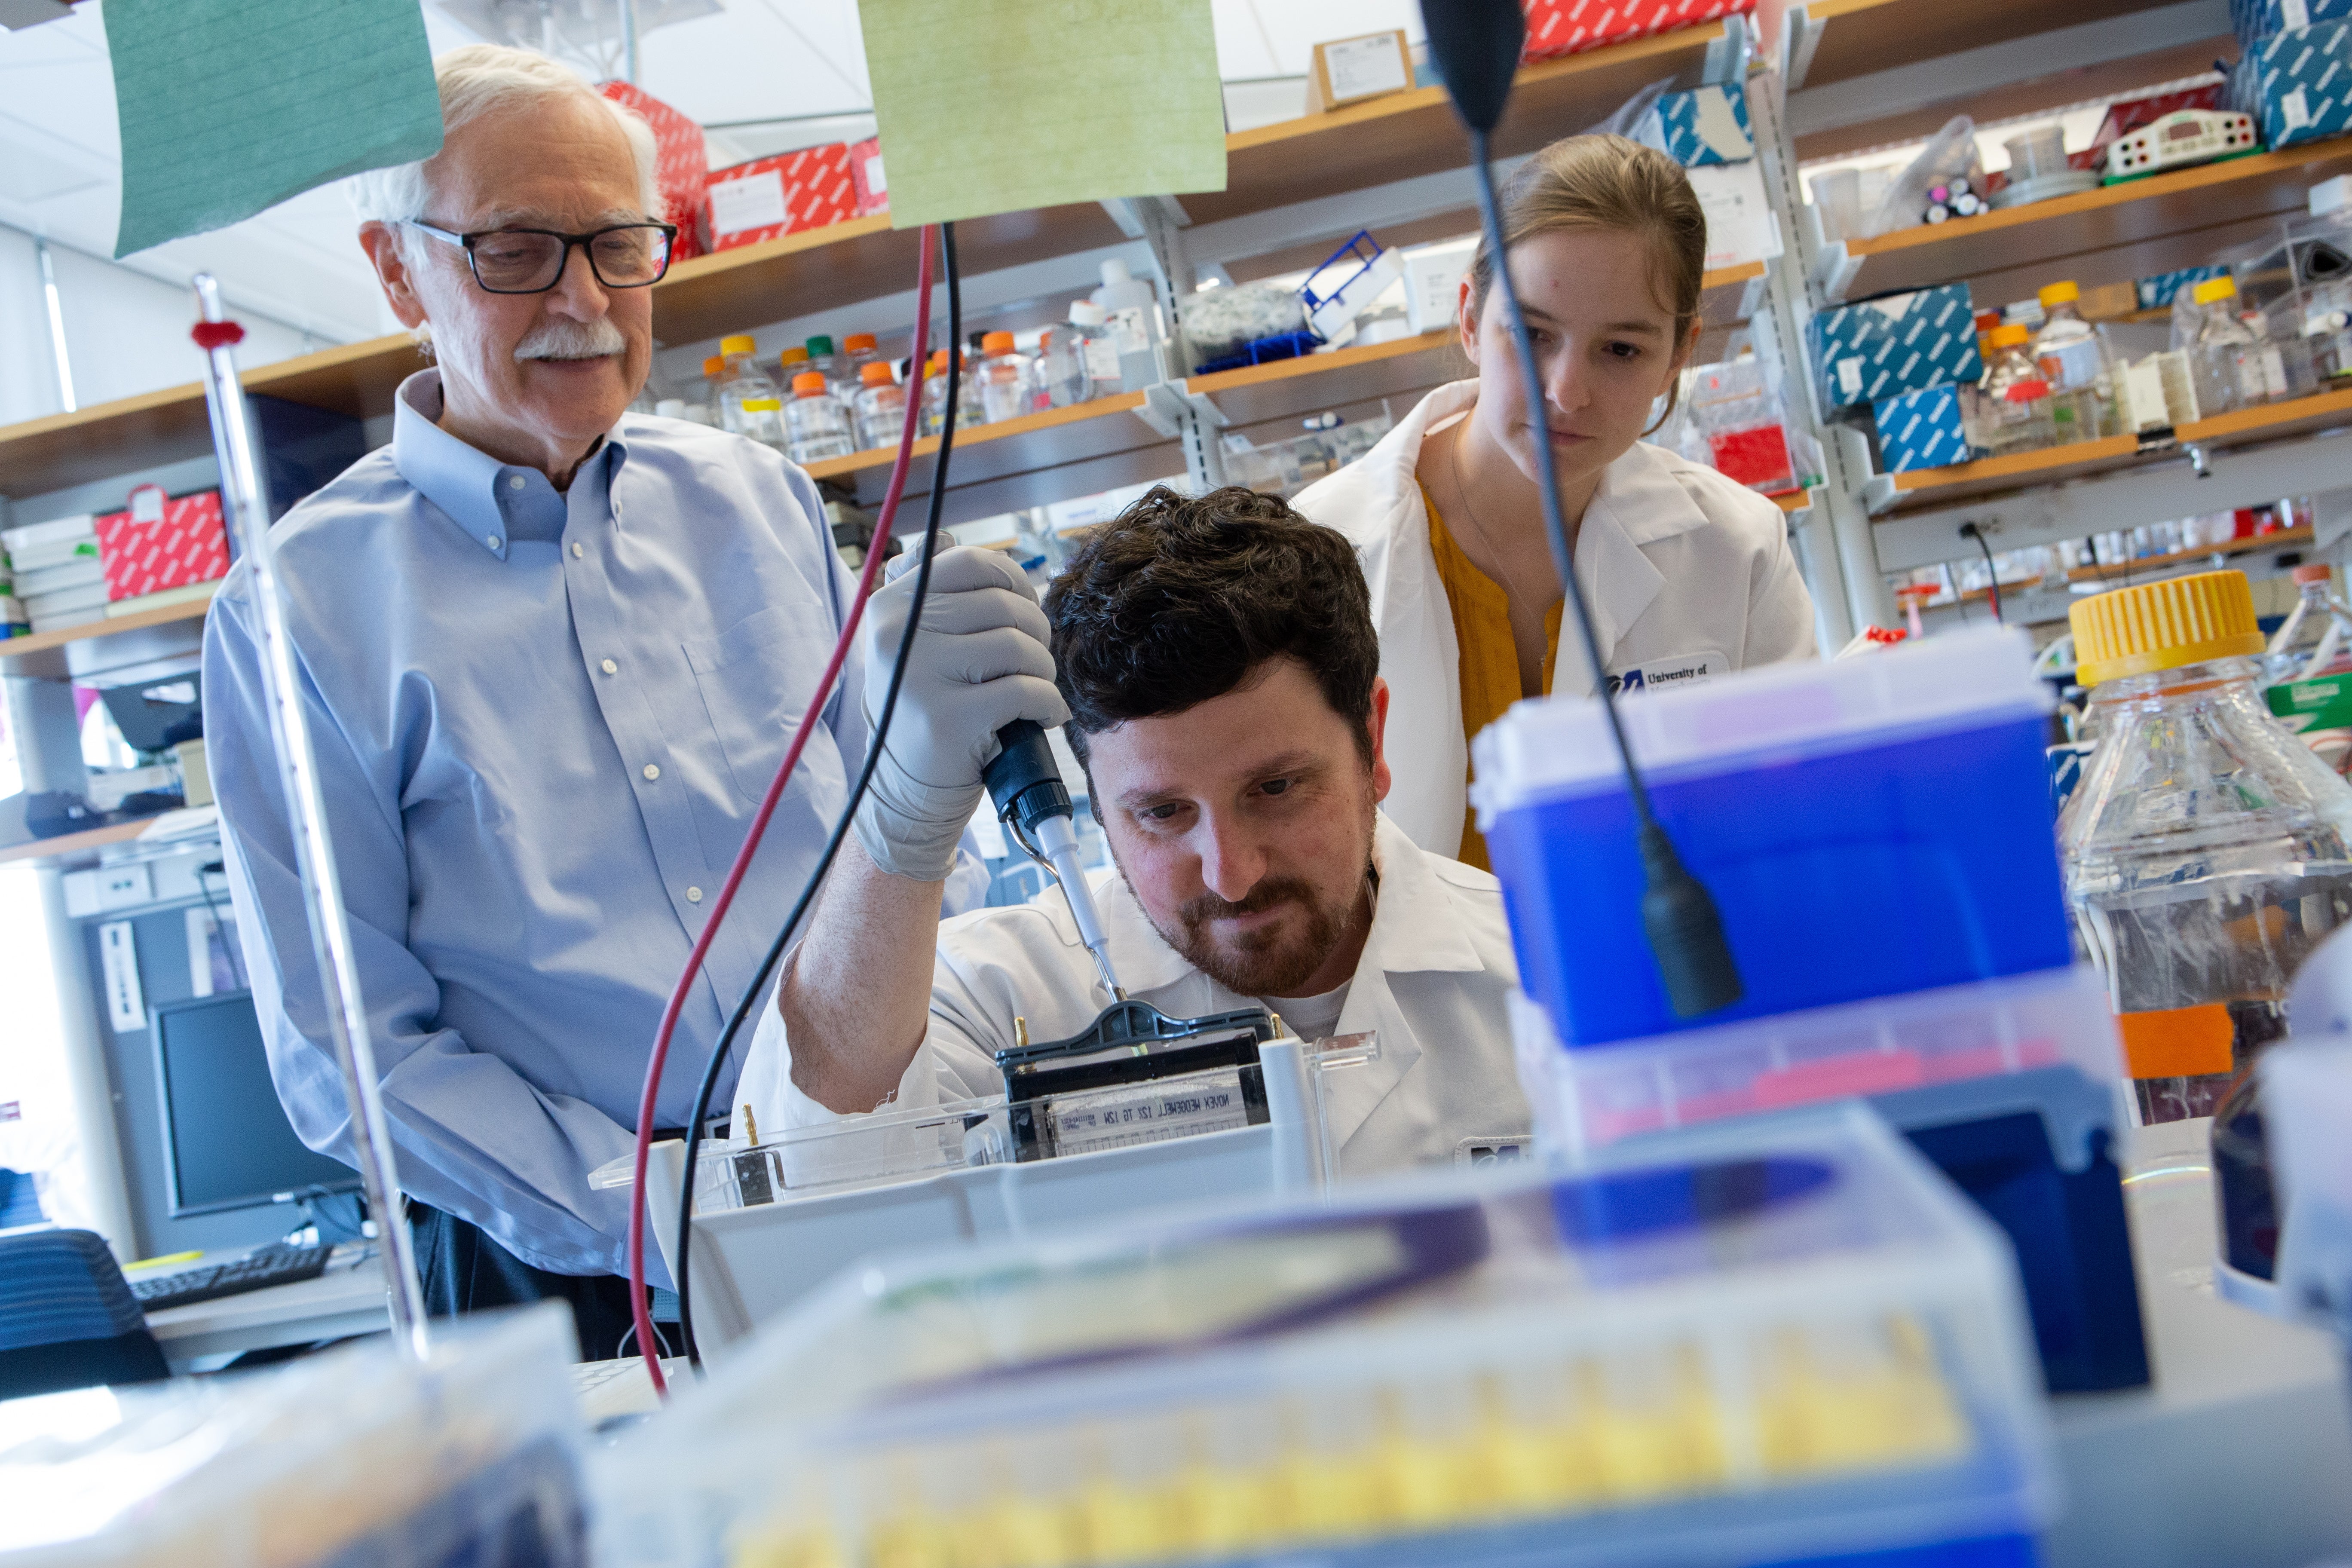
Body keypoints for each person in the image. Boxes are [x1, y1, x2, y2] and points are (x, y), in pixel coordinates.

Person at [204, 44, 978, 1359]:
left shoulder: (762, 503)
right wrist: (657, 1210)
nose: (587, 301)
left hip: (864, 1175)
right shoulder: (301, 612)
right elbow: (350, 1054)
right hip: (564, 1272)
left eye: (622, 246)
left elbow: (880, 852)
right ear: (398, 270)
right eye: (516, 250)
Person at [735, 487, 1531, 1178]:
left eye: (1277, 788)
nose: (1232, 873)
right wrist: (897, 827)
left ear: (1373, 743)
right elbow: (816, 1174)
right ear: (1094, 797)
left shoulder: (1546, 967)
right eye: (1162, 813)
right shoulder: (1001, 992)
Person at [1293, 135, 1818, 867]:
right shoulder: (1314, 551)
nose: (1566, 393)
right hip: (1402, 984)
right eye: (1534, 334)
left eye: (1622, 350)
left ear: (1678, 354)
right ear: (1472, 319)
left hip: (1663, 974)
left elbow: (1788, 828)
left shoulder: (1738, 548)